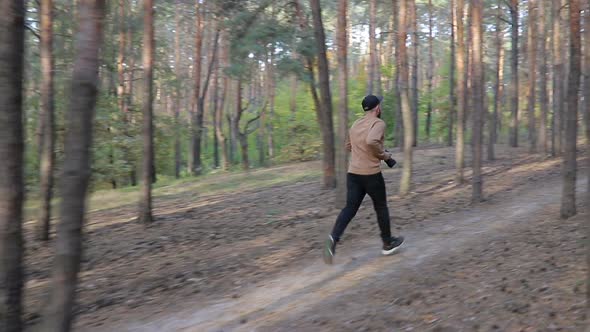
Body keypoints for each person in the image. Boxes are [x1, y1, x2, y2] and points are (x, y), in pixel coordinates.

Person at [323, 95, 404, 265]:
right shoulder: (378, 123)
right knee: (381, 207)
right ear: (377, 108)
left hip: (353, 174)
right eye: (379, 105)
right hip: (371, 174)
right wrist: (384, 155)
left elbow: (348, 146)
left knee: (349, 209)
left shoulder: (356, 124)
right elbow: (371, 141)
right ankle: (387, 243)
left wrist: (362, 152)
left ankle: (333, 239)